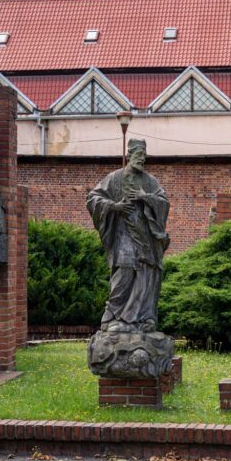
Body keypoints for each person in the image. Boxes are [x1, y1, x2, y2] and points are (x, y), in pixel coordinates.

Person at [86, 138, 170, 333]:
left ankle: (141, 319)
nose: (142, 160)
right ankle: (112, 317)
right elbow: (93, 198)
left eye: (144, 157)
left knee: (145, 275)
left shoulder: (150, 181)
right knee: (124, 271)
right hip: (123, 234)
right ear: (129, 156)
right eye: (139, 156)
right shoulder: (115, 178)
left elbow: (164, 203)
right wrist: (115, 206)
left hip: (146, 237)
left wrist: (145, 197)